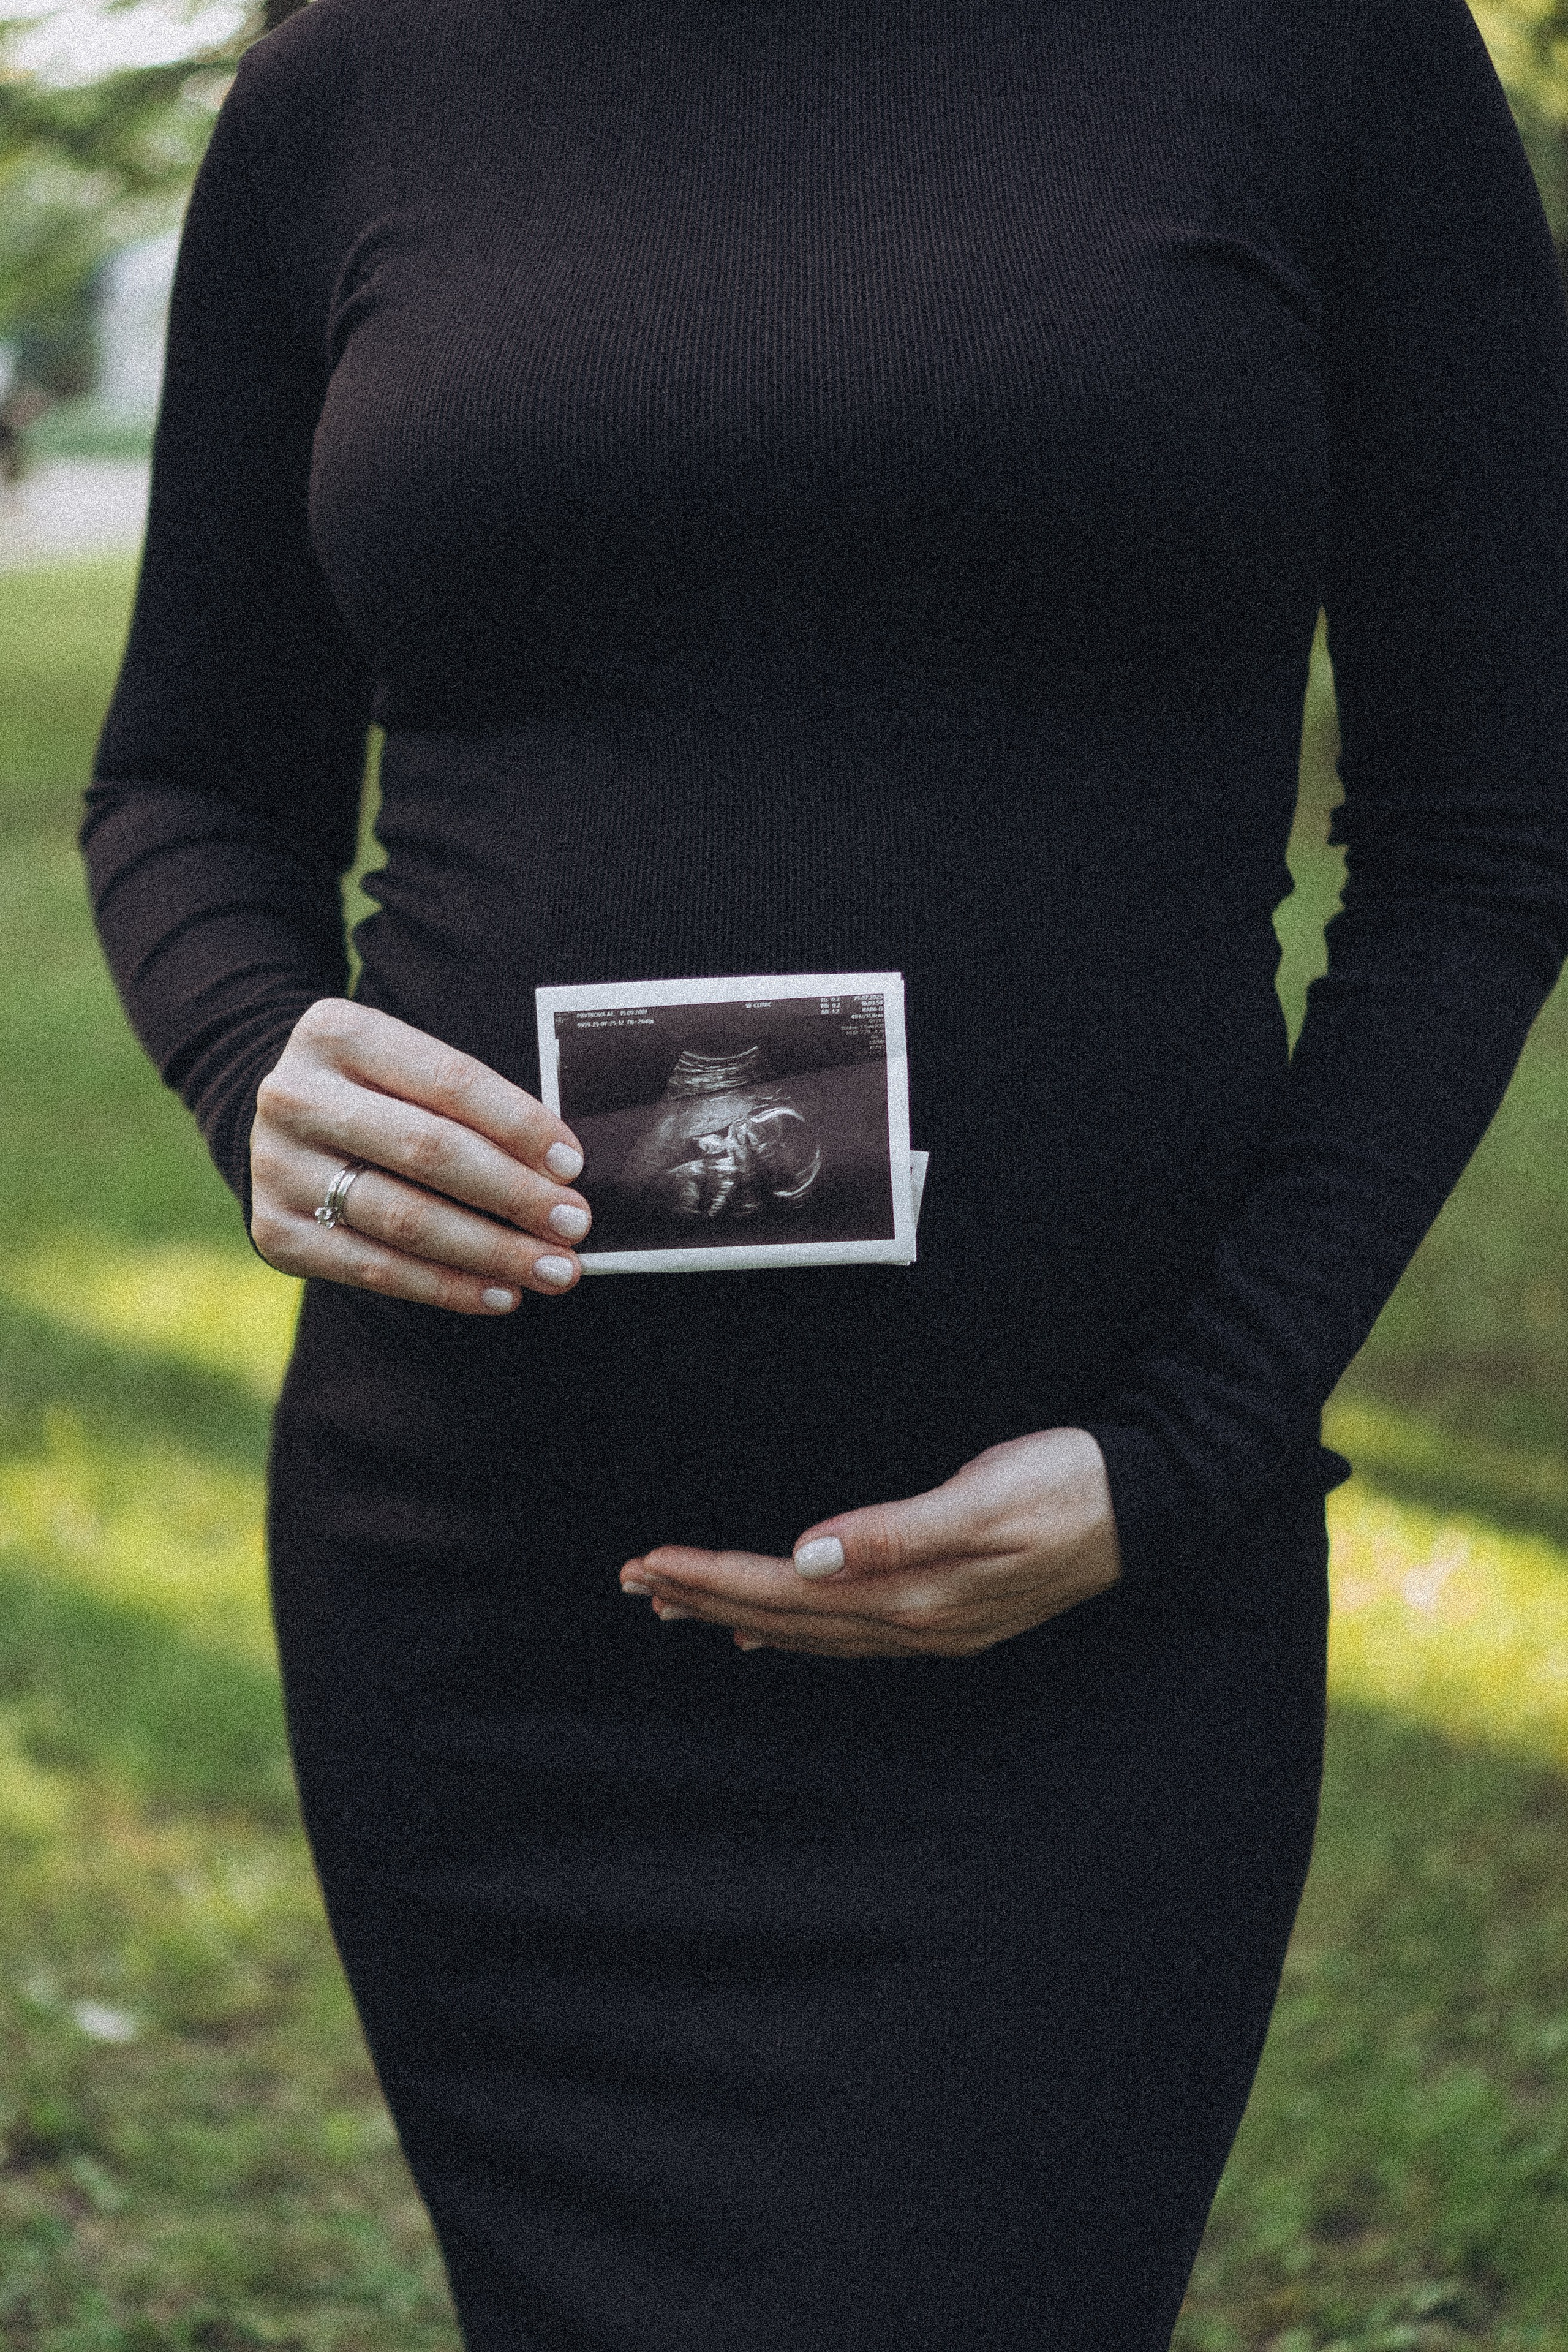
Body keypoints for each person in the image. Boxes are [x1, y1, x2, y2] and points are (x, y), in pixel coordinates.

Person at [81, 0, 1568, 2342]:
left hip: (1085, 1616)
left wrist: (1187, 1450)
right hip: (490, 1600)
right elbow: (182, 781)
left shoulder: (1323, 51)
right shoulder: (350, 76)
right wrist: (252, 1059)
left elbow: (1490, 829)